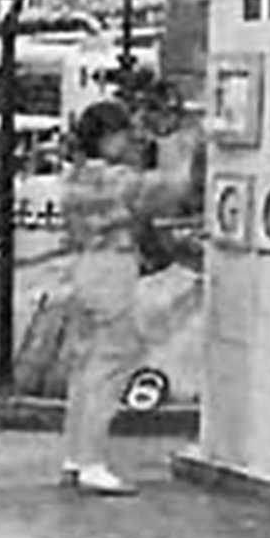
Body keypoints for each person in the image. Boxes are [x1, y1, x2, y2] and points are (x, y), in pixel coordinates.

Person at [58, 99, 201, 496]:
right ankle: (92, 461)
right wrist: (186, 148)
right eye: (122, 134)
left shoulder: (75, 176)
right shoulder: (113, 180)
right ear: (106, 138)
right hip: (111, 269)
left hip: (83, 268)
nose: (128, 142)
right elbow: (169, 188)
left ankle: (75, 454)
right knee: (113, 360)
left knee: (86, 365)